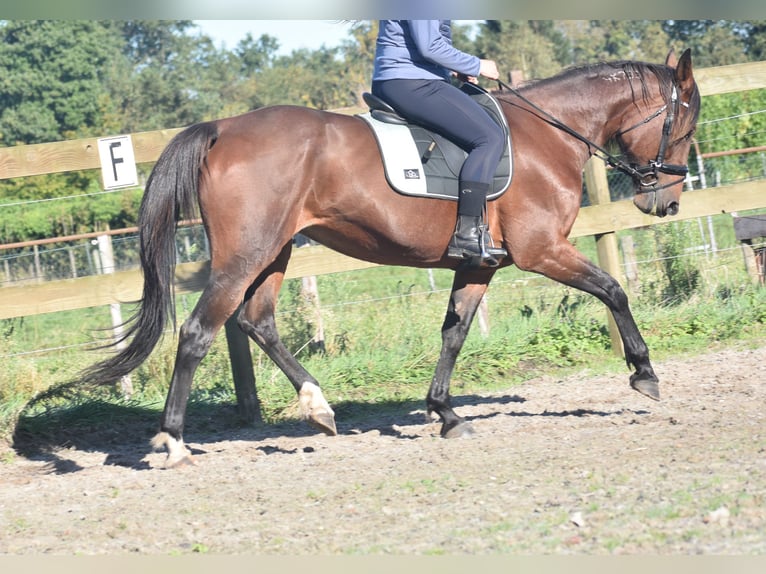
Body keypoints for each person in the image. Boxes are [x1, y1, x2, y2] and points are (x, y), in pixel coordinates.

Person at [371, 19, 508, 267]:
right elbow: (430, 46)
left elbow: (420, 43)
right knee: (490, 137)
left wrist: (455, 70)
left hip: (405, 78)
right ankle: (467, 234)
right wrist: (477, 65)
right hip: (412, 81)